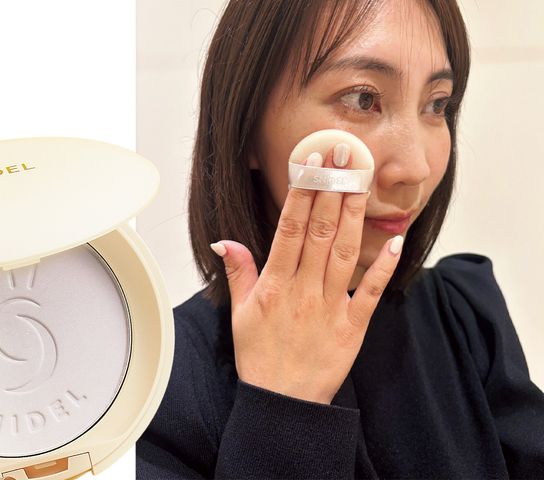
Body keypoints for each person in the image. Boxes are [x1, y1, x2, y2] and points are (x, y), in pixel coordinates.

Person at [135, 0, 544, 478]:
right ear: (246, 125)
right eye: (363, 99)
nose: (416, 168)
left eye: (437, 105)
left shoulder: (467, 313)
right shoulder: (153, 384)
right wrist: (286, 406)